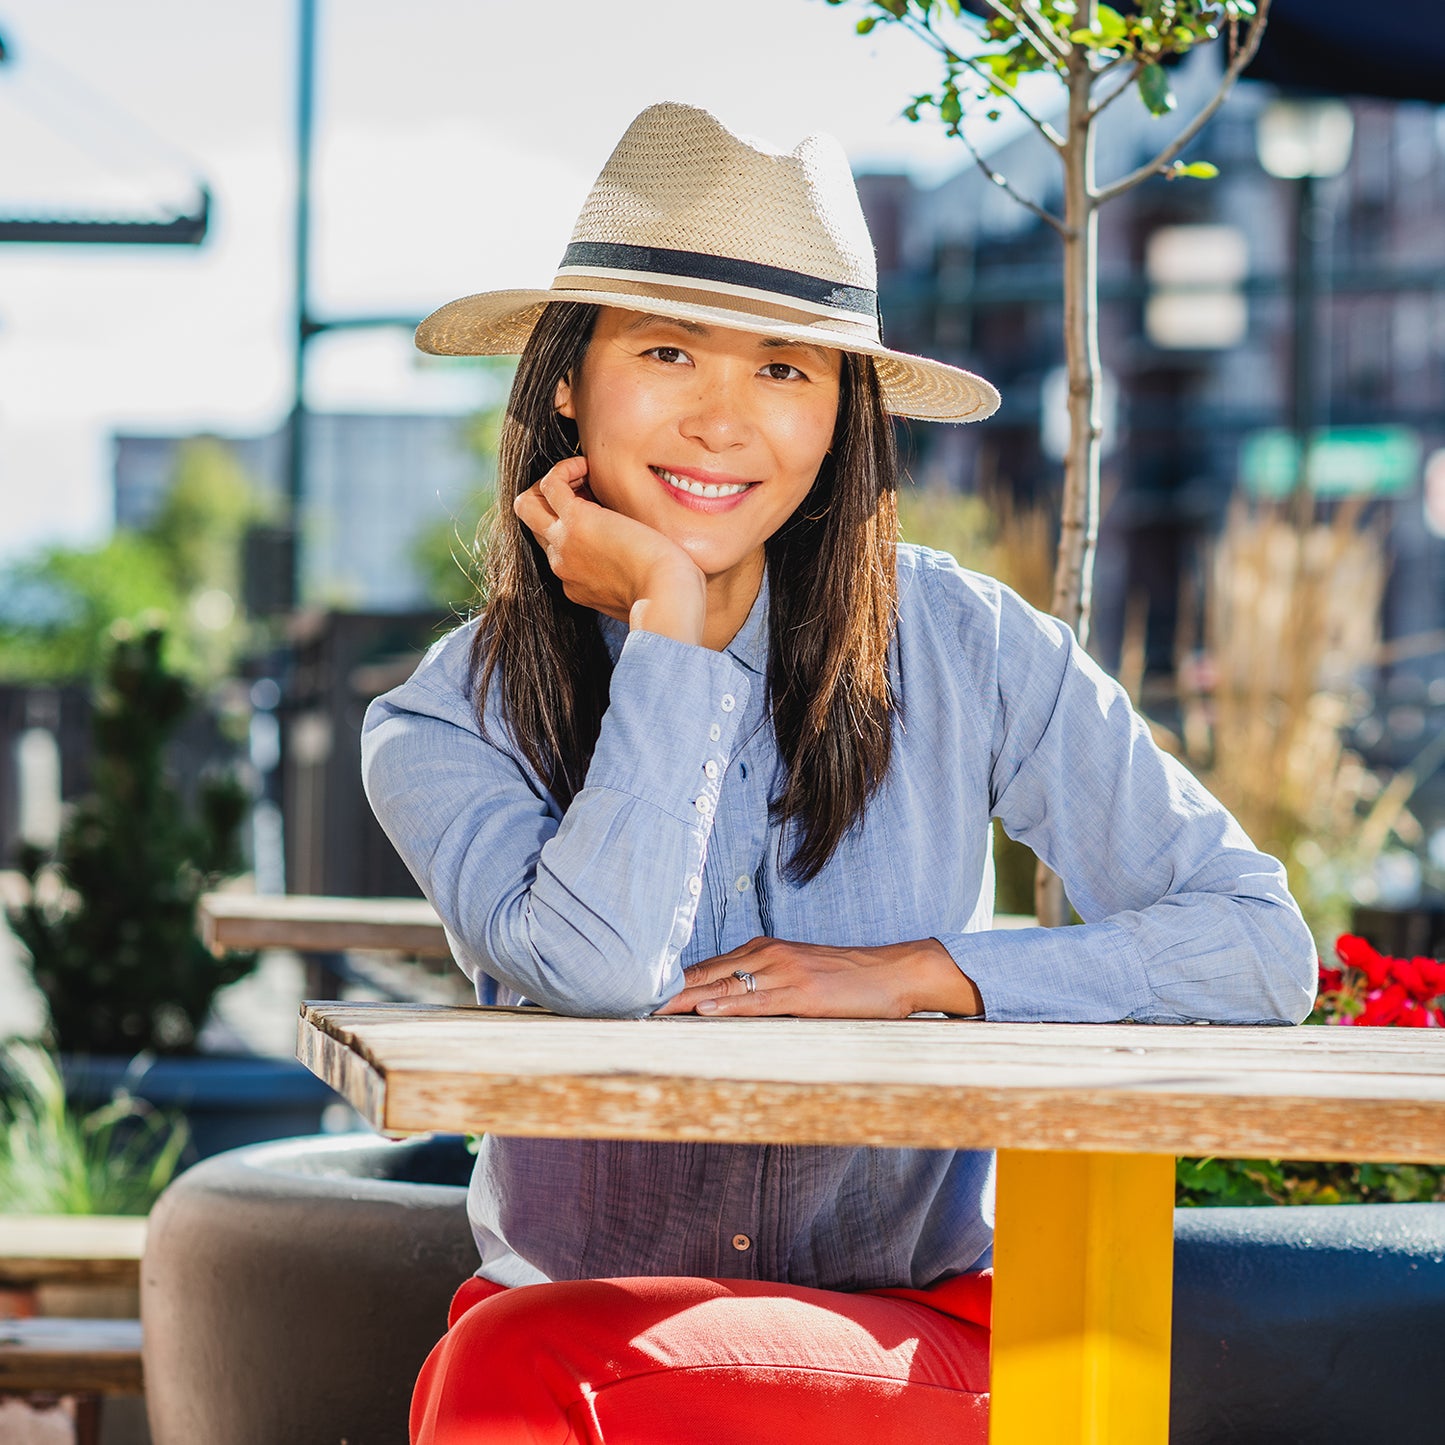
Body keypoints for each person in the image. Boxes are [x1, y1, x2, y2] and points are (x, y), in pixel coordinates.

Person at [362, 101, 1316, 1445]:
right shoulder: (446, 718)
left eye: (785, 369)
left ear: (840, 413)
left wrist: (926, 971)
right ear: (567, 378)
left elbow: (1259, 946)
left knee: (518, 1382)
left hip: (915, 1337)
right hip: (580, 1332)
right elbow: (594, 967)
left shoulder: (969, 646)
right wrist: (672, 634)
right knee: (527, 1364)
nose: (720, 419)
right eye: (669, 349)